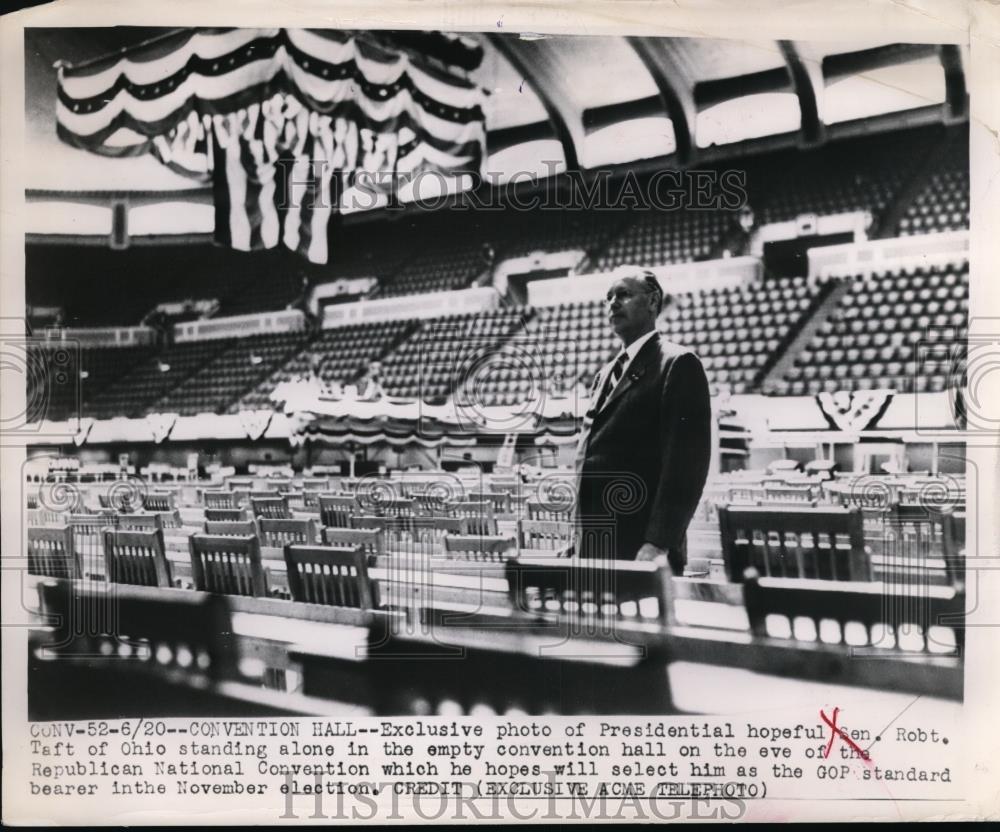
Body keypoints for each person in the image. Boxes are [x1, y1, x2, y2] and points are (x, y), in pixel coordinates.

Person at [573, 266, 712, 575]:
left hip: (642, 550)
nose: (612, 303)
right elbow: (588, 457)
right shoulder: (604, 373)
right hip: (595, 546)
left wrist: (658, 543)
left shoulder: (677, 364)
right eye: (608, 297)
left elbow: (687, 467)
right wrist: (578, 537)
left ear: (652, 302)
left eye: (623, 294)